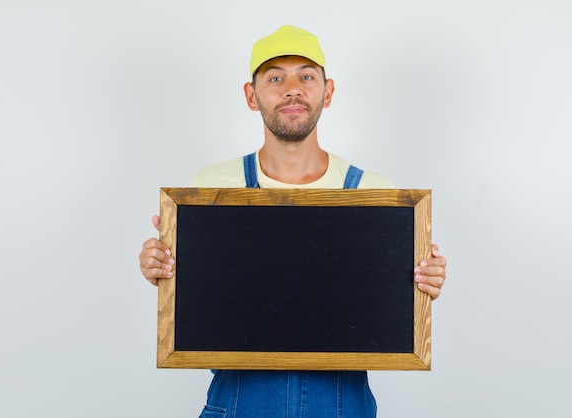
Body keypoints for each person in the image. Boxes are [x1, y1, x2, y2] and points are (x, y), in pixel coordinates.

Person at [139, 25, 447, 418]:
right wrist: (162, 268)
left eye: (306, 76)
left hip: (342, 406)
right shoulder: (209, 189)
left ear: (328, 91)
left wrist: (421, 281)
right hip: (238, 404)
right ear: (252, 96)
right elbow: (198, 302)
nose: (292, 88)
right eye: (275, 78)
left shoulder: (375, 194)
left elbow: (393, 306)